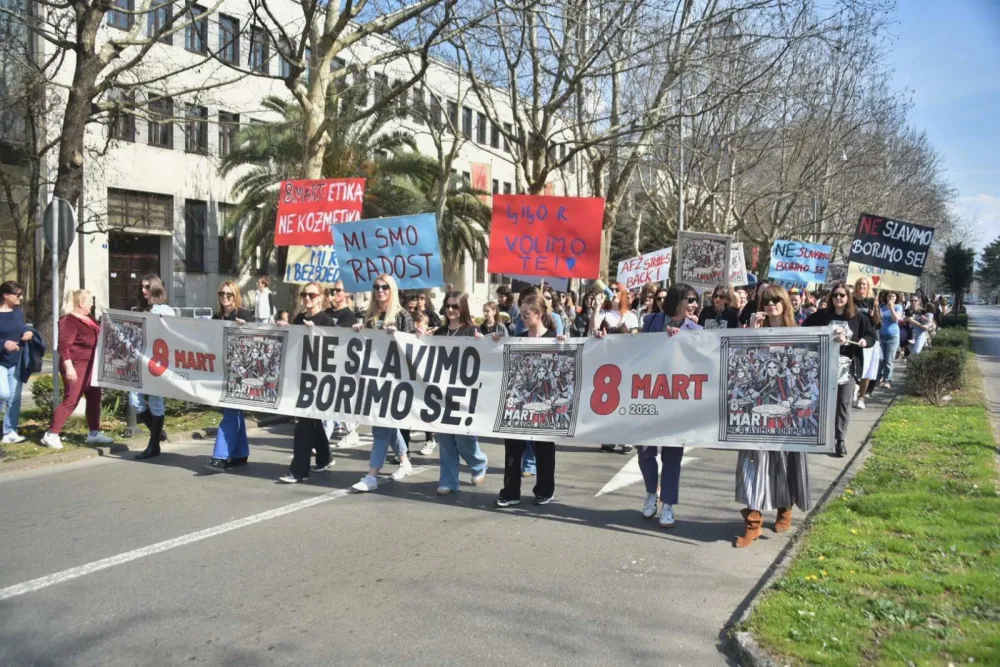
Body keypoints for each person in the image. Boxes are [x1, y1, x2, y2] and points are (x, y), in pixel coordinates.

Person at [735, 285, 811, 547]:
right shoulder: (753, 330)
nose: (771, 304)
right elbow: (741, 367)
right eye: (766, 301)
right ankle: (753, 521)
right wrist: (751, 335)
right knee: (752, 461)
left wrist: (835, 337)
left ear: (786, 303)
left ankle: (784, 507)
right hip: (758, 409)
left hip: (786, 410)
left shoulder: (799, 334)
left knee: (785, 460)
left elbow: (812, 363)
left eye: (776, 300)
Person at [635, 283, 702, 527]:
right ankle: (652, 492)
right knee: (644, 451)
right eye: (690, 299)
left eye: (695, 300)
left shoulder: (696, 329)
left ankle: (669, 504)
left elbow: (701, 363)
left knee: (673, 455)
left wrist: (683, 343)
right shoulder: (652, 321)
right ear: (676, 301)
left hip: (678, 402)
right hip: (649, 397)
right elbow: (634, 350)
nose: (694, 304)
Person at [495, 295, 566, 507]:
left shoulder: (555, 338)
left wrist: (564, 345)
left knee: (543, 447)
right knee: (513, 445)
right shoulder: (519, 338)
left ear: (539, 314)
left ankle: (545, 490)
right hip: (520, 401)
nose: (523, 318)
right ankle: (510, 491)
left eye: (526, 314)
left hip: (544, 401)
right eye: (521, 315)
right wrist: (495, 342)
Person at [351, 274, 416, 492]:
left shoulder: (402, 315)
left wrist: (398, 335)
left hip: (395, 380)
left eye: (385, 287)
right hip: (373, 378)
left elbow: (413, 346)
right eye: (377, 287)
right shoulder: (369, 315)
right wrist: (359, 332)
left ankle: (372, 475)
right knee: (387, 424)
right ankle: (405, 461)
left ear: (392, 290)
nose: (380, 291)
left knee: (381, 427)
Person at [804, 282, 876, 458]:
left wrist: (865, 341)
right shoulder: (821, 315)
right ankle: (818, 435)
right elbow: (804, 329)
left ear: (848, 298)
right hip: (823, 366)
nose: (838, 298)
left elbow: (871, 334)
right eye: (835, 295)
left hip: (848, 367)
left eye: (842, 295)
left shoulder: (857, 317)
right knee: (822, 403)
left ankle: (840, 440)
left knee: (843, 404)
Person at [277, 281, 336, 483]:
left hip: (318, 379)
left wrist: (316, 333)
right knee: (312, 420)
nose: (307, 298)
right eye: (304, 295)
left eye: (311, 295)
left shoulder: (326, 320)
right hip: (301, 376)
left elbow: (332, 351)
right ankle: (325, 456)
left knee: (304, 423)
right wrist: (287, 328)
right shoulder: (300, 317)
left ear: (321, 297)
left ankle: (298, 471)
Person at [39, 289, 112, 450]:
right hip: (76, 364)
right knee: (71, 400)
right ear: (80, 303)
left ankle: (94, 433)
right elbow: (64, 346)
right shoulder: (69, 321)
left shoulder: (89, 319)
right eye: (89, 301)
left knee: (94, 398)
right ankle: (51, 434)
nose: (92, 304)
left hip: (91, 366)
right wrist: (69, 367)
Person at [433, 291, 488, 495]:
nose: (450, 310)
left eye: (455, 306)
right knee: (446, 440)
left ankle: (478, 463)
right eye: (447, 306)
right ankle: (448, 481)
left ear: (462, 308)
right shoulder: (438, 334)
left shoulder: (471, 331)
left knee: (464, 439)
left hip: (465, 395)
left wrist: (484, 341)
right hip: (442, 394)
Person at [204, 281, 253, 472]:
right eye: (222, 293)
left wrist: (245, 328)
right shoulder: (217, 317)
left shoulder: (244, 315)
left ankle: (220, 456)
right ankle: (240, 453)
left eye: (229, 294)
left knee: (231, 413)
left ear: (236, 296)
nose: (225, 297)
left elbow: (257, 340)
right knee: (233, 412)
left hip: (240, 374)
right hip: (222, 373)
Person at [591, 281, 638, 454]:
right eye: (611, 289)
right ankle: (609, 437)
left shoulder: (631, 316)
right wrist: (596, 307)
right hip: (606, 361)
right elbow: (593, 328)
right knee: (608, 400)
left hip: (626, 362)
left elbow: (636, 338)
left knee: (625, 399)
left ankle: (626, 437)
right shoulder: (603, 313)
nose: (613, 292)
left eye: (617, 290)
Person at [132, 275, 174, 459]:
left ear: (155, 287)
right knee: (135, 401)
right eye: (142, 286)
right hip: (140, 361)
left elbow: (173, 333)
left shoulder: (165, 310)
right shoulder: (139, 308)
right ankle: (157, 433)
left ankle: (153, 444)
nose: (143, 290)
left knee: (156, 404)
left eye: (147, 286)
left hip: (157, 362)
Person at [323, 281, 361, 448]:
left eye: (338, 290)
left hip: (342, 363)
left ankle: (352, 432)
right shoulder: (326, 312)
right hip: (326, 362)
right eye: (332, 290)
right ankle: (323, 439)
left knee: (342, 399)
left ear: (347, 294)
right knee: (326, 400)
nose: (334, 293)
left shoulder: (349, 316)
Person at [0, 281, 33, 445]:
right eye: (17, 294)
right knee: (3, 393)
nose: (20, 297)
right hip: (0, 360)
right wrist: (3, 344)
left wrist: (28, 332)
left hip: (16, 360)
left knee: (14, 397)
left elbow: (22, 328)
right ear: (6, 295)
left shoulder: (18, 312)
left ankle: (10, 431)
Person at [852, 277, 882, 409]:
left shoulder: (871, 301)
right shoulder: (850, 300)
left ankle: (861, 397)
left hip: (869, 339)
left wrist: (875, 309)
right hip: (853, 339)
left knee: (867, 370)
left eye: (864, 284)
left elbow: (877, 323)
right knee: (852, 368)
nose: (861, 286)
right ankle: (853, 387)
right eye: (859, 284)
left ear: (868, 287)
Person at [877, 291, 904, 389]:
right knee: (880, 359)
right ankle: (878, 379)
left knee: (888, 360)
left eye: (893, 296)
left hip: (892, 336)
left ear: (896, 298)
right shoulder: (882, 307)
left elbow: (895, 318)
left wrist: (891, 307)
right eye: (889, 296)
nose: (891, 298)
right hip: (881, 335)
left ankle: (887, 380)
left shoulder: (898, 307)